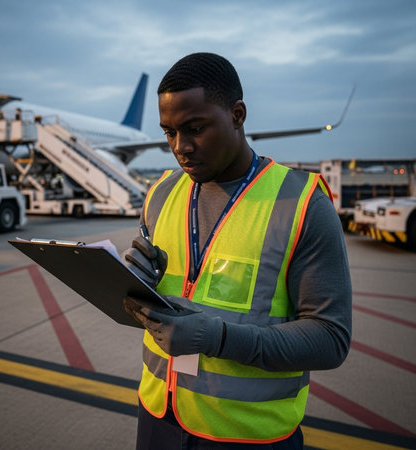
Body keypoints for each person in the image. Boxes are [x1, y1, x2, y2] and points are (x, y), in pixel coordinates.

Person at [123, 52, 352, 449]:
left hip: (248, 435)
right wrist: (135, 284)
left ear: (237, 114)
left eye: (195, 128)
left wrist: (218, 338)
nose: (181, 148)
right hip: (158, 416)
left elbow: (331, 338)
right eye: (169, 133)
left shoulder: (301, 204)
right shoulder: (161, 193)